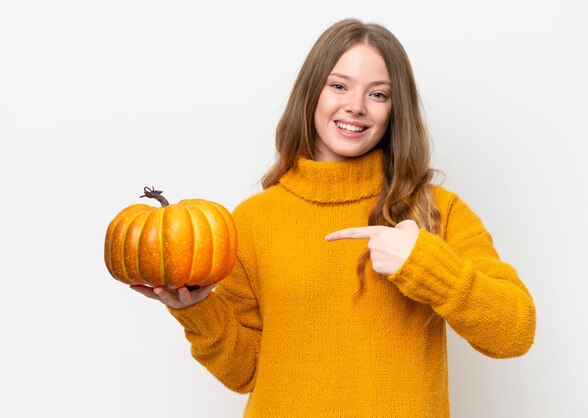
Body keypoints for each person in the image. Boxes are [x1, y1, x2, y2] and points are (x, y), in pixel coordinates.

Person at [131, 18, 536, 417]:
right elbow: (244, 373)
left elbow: (514, 332)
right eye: (339, 86)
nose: (355, 106)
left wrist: (425, 265)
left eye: (378, 94)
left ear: (396, 110)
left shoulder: (437, 210)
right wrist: (198, 307)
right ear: (312, 94)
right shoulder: (254, 221)